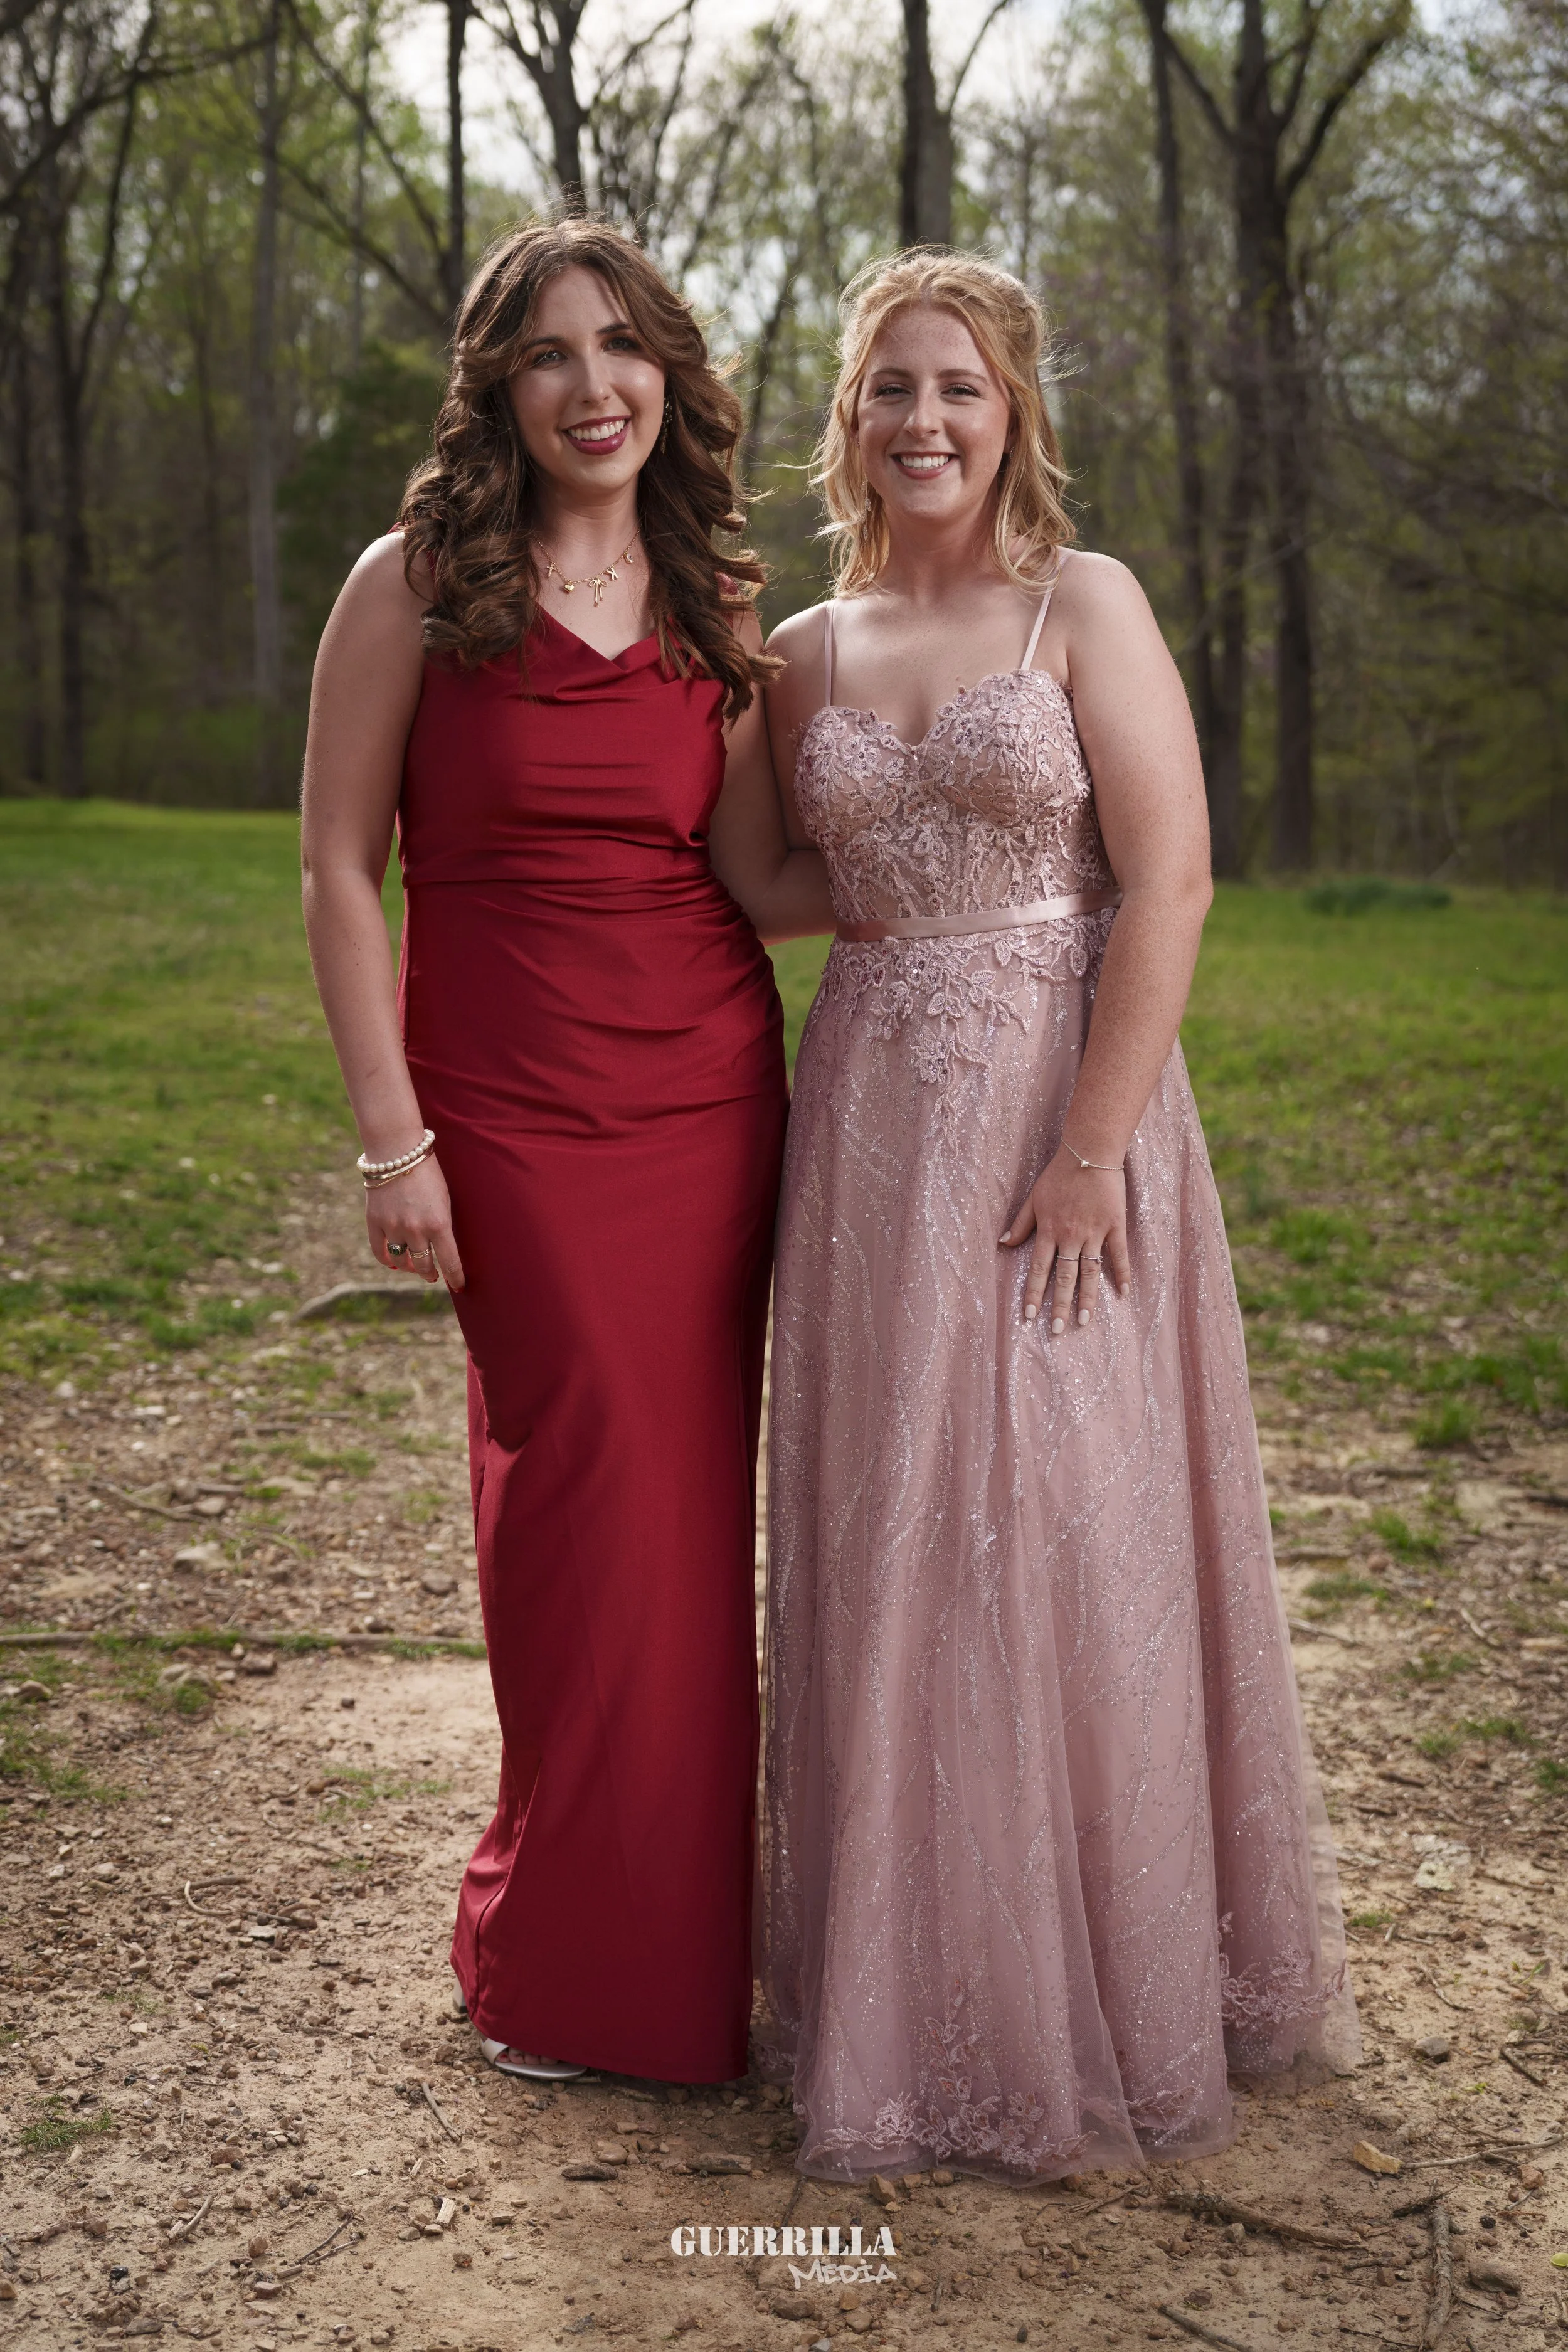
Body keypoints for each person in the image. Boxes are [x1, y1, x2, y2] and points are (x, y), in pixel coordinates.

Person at [756, 252, 1359, 2181]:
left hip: (1060, 1105)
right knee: (899, 1525)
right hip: (872, 1123)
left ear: (1010, 409)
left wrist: (1093, 1142)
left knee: (1058, 1515)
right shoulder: (801, 650)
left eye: (957, 385)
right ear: (848, 419)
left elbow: (1169, 877)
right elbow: (760, 878)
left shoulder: (1078, 603)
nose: (922, 418)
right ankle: (912, 1994)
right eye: (889, 387)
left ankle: (1114, 1975)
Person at [300, 218, 830, 2085]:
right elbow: (336, 870)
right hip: (508, 1109)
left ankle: (666, 1973)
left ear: (669, 376)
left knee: (685, 1526)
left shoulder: (716, 605)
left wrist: (971, 861)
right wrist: (394, 1142)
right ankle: (567, 1962)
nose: (591, 385)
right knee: (576, 1509)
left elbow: (754, 877)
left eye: (621, 347)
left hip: (709, 1097)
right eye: (547, 351)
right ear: (496, 389)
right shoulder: (414, 584)